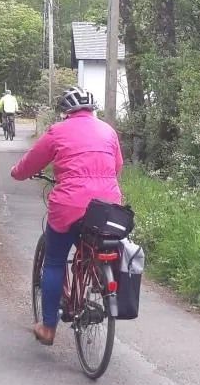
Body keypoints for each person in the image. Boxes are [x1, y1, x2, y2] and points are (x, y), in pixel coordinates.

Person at [9, 86, 124, 345]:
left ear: (66, 111)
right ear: (92, 110)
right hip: (107, 207)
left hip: (69, 205)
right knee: (94, 242)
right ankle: (96, 278)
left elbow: (31, 163)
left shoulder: (57, 132)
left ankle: (48, 327)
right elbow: (117, 167)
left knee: (54, 262)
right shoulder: (108, 131)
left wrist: (17, 172)